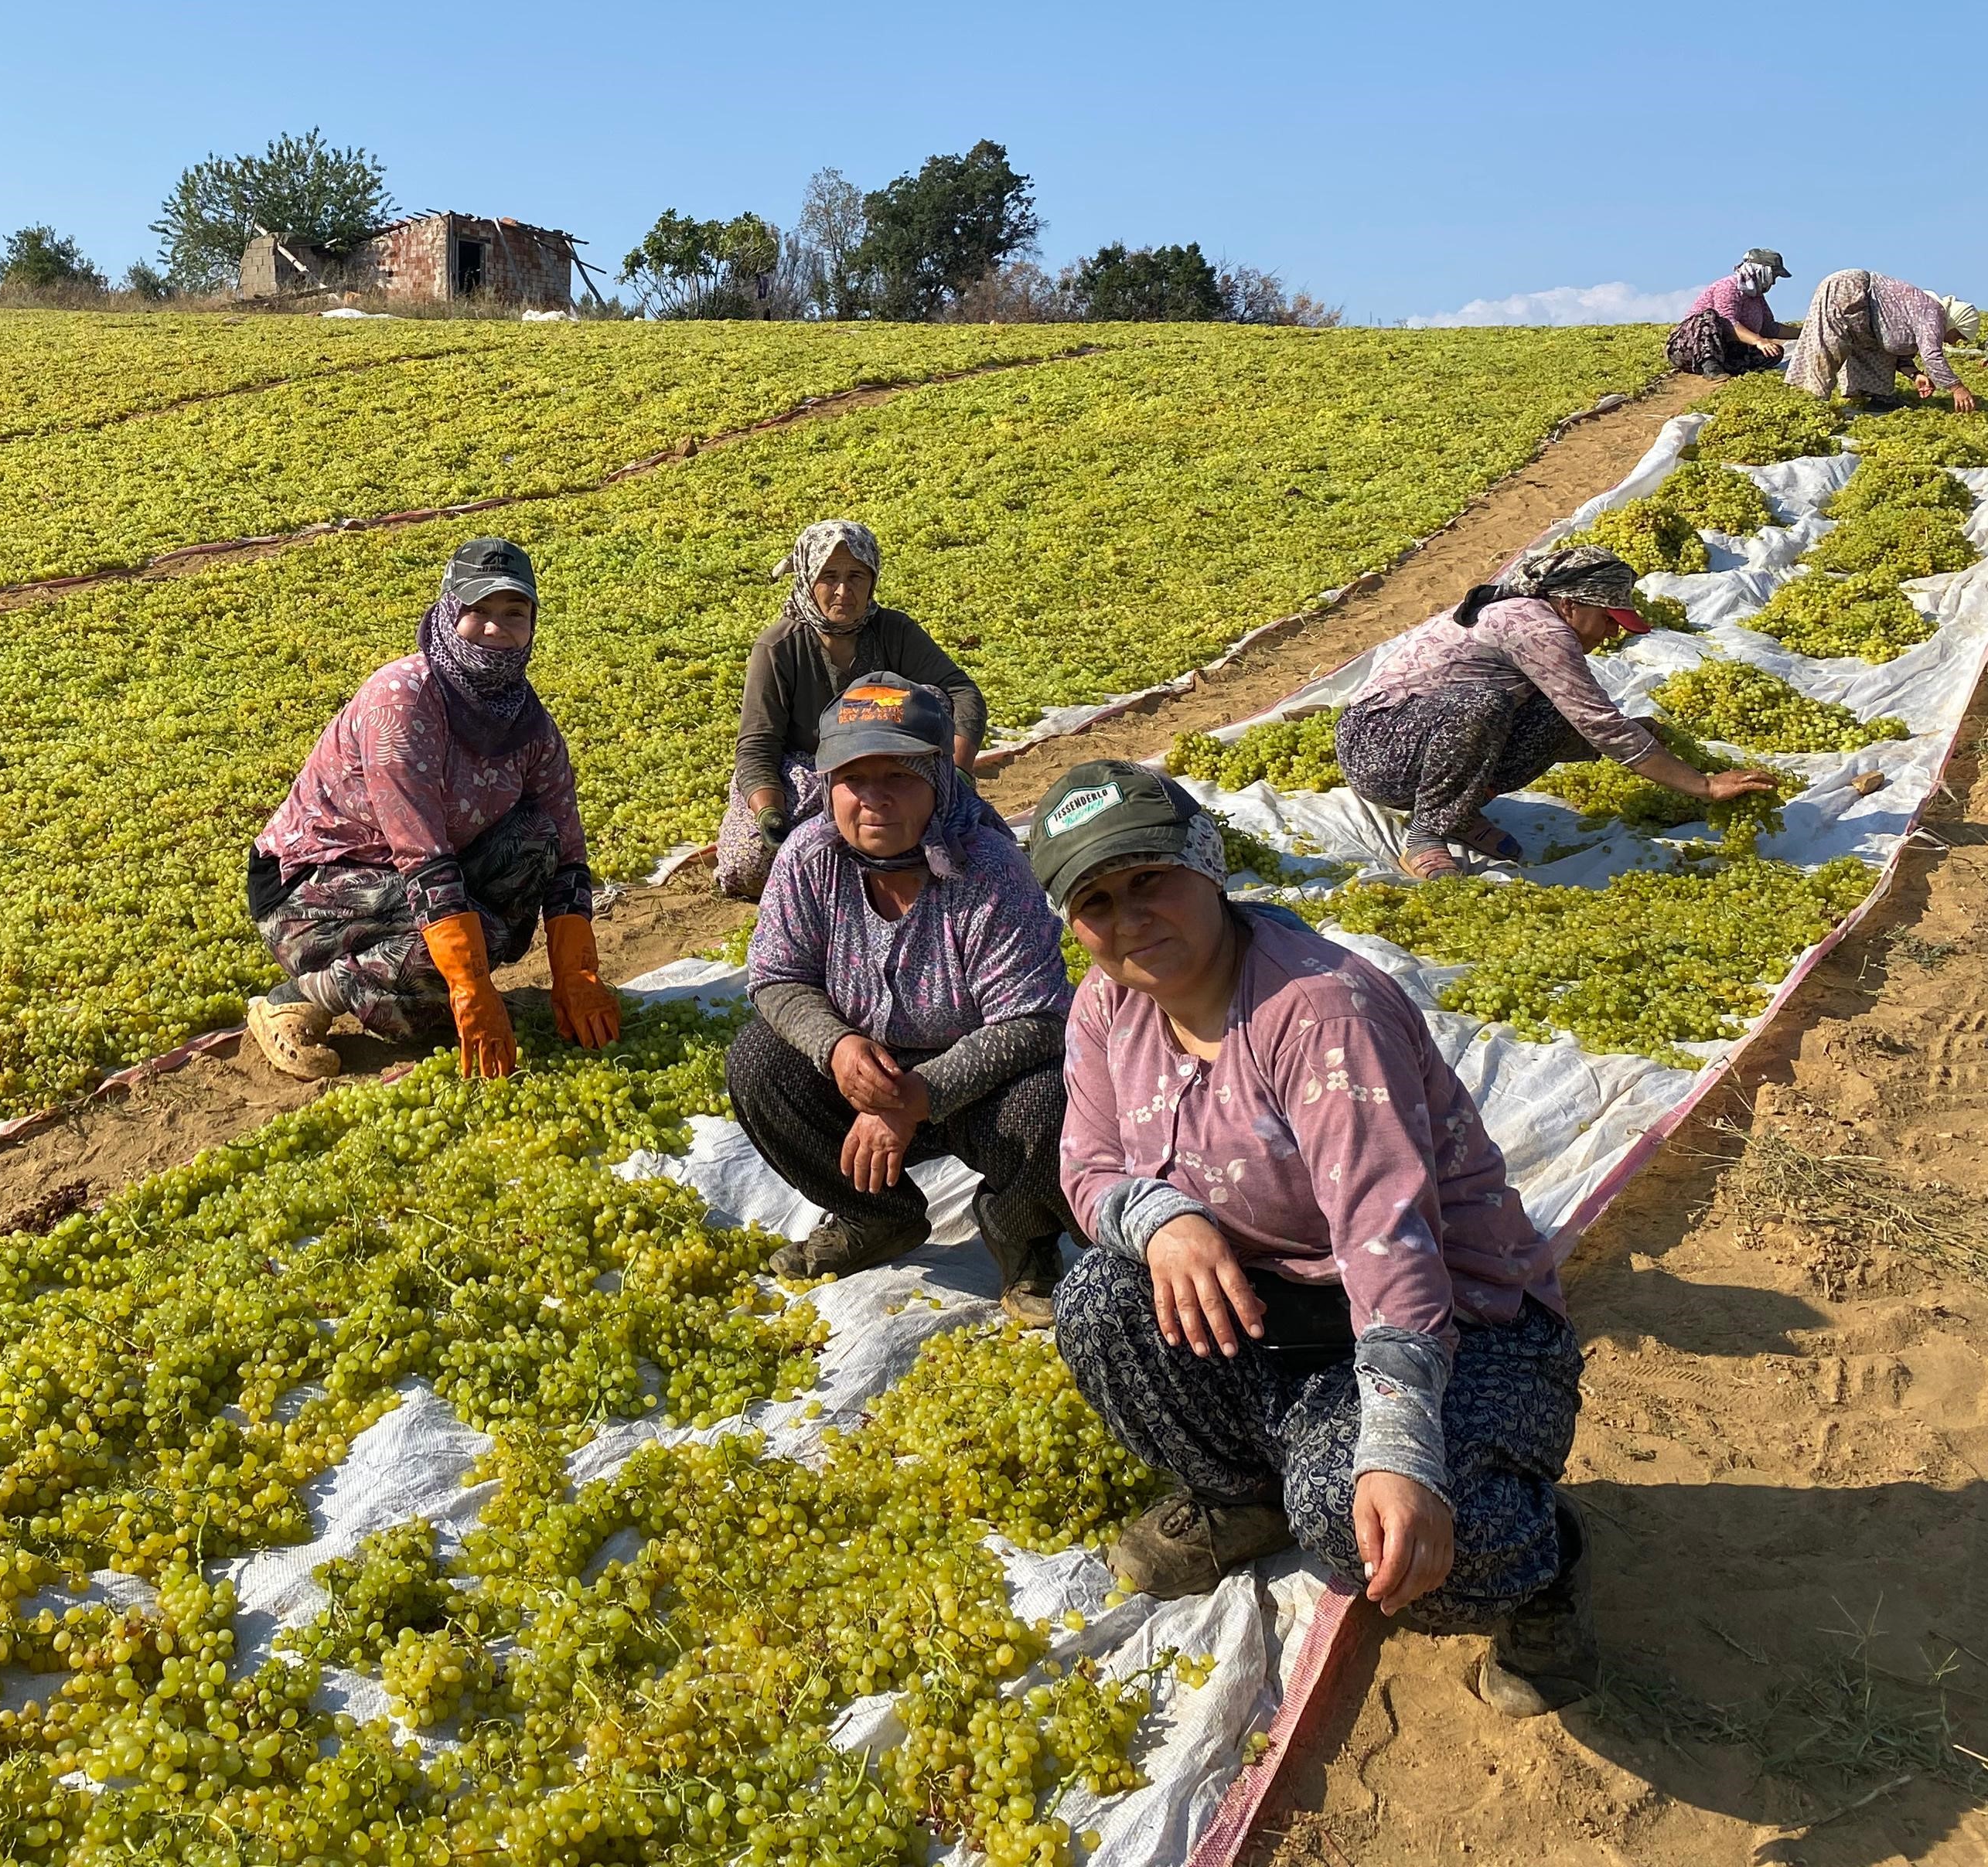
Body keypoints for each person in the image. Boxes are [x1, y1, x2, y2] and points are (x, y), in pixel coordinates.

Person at [1024, 758, 1595, 1718]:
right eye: (1098, 901)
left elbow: (1389, 1243)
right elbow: (1087, 1172)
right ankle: (1246, 1495)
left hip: (1460, 1322)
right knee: (1100, 1299)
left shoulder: (1319, 1012)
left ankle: (1542, 1561)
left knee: (1358, 1517)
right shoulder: (1106, 1006)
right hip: (1287, 1311)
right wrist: (1162, 1221)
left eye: (1150, 879)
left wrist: (1400, 1448)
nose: (1130, 920)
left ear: (1206, 865)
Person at [723, 673, 1074, 1313]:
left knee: (1049, 1099)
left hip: (977, 1087)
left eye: (900, 779)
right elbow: (777, 978)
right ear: (829, 786)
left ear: (938, 781)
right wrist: (838, 1046)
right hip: (866, 1074)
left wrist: (918, 1097)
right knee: (756, 1060)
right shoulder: (810, 857)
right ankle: (875, 1217)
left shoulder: (989, 871)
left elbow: (1037, 1020)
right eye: (855, 780)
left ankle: (1023, 1239)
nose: (874, 800)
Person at [243, 534, 622, 1080]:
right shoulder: (404, 699)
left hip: (414, 877)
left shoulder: (527, 722)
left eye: (514, 612)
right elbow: (420, 853)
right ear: (448, 611)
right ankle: (300, 996)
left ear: (533, 622)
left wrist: (577, 974)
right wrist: (469, 984)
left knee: (535, 841)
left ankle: (429, 988)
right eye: (478, 610)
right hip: (315, 886)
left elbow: (567, 849)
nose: (496, 627)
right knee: (464, 944)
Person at [1334, 544, 1778, 879]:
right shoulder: (1535, 626)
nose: (1609, 634)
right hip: (1378, 750)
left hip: (1422, 741)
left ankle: (1458, 813)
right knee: (1482, 705)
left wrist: (1625, 736)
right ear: (1570, 604)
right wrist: (1702, 786)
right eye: (1607, 619)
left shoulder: (1541, 617)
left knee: (1551, 710)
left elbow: (1585, 719)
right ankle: (1426, 833)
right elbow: (1599, 724)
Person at [715, 520, 988, 900]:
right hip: (812, 772)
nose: (844, 591)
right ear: (808, 578)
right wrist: (769, 812)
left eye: (856, 576)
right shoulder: (779, 648)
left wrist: (955, 772)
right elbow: (758, 746)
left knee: (932, 701)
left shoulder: (894, 632)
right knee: (754, 864)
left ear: (873, 579)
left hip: (890, 764)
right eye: (829, 576)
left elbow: (961, 693)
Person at [1789, 269, 1980, 413]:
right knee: (1830, 346)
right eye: (1959, 336)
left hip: (1865, 314)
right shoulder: (1933, 312)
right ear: (1955, 323)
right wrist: (1957, 388)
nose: (1955, 343)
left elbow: (1894, 348)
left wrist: (1916, 375)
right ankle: (1812, 404)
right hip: (1850, 289)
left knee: (1873, 348)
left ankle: (1873, 395)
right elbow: (1932, 355)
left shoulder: (1924, 314)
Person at [1663, 247, 1792, 377]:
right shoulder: (1729, 286)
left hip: (1727, 351)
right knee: (1708, 318)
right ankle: (1710, 366)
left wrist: (1804, 332)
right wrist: (1758, 341)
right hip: (1692, 348)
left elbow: (1768, 328)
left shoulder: (1757, 297)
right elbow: (1728, 322)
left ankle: (1727, 366)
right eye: (1774, 276)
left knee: (1774, 352)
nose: (1774, 282)